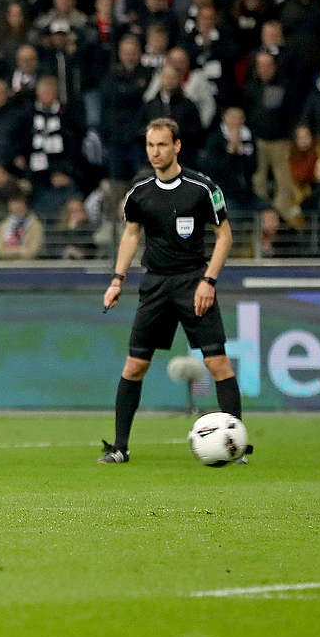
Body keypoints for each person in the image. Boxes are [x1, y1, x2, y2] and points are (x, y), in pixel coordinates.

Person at [101, 118, 243, 464]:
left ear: (177, 146)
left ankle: (235, 447)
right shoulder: (139, 192)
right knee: (134, 366)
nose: (155, 152)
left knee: (218, 363)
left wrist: (208, 281)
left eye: (162, 145)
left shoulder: (202, 188)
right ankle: (121, 447)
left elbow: (224, 237)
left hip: (193, 282)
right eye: (151, 146)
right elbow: (131, 235)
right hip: (155, 285)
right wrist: (117, 279)